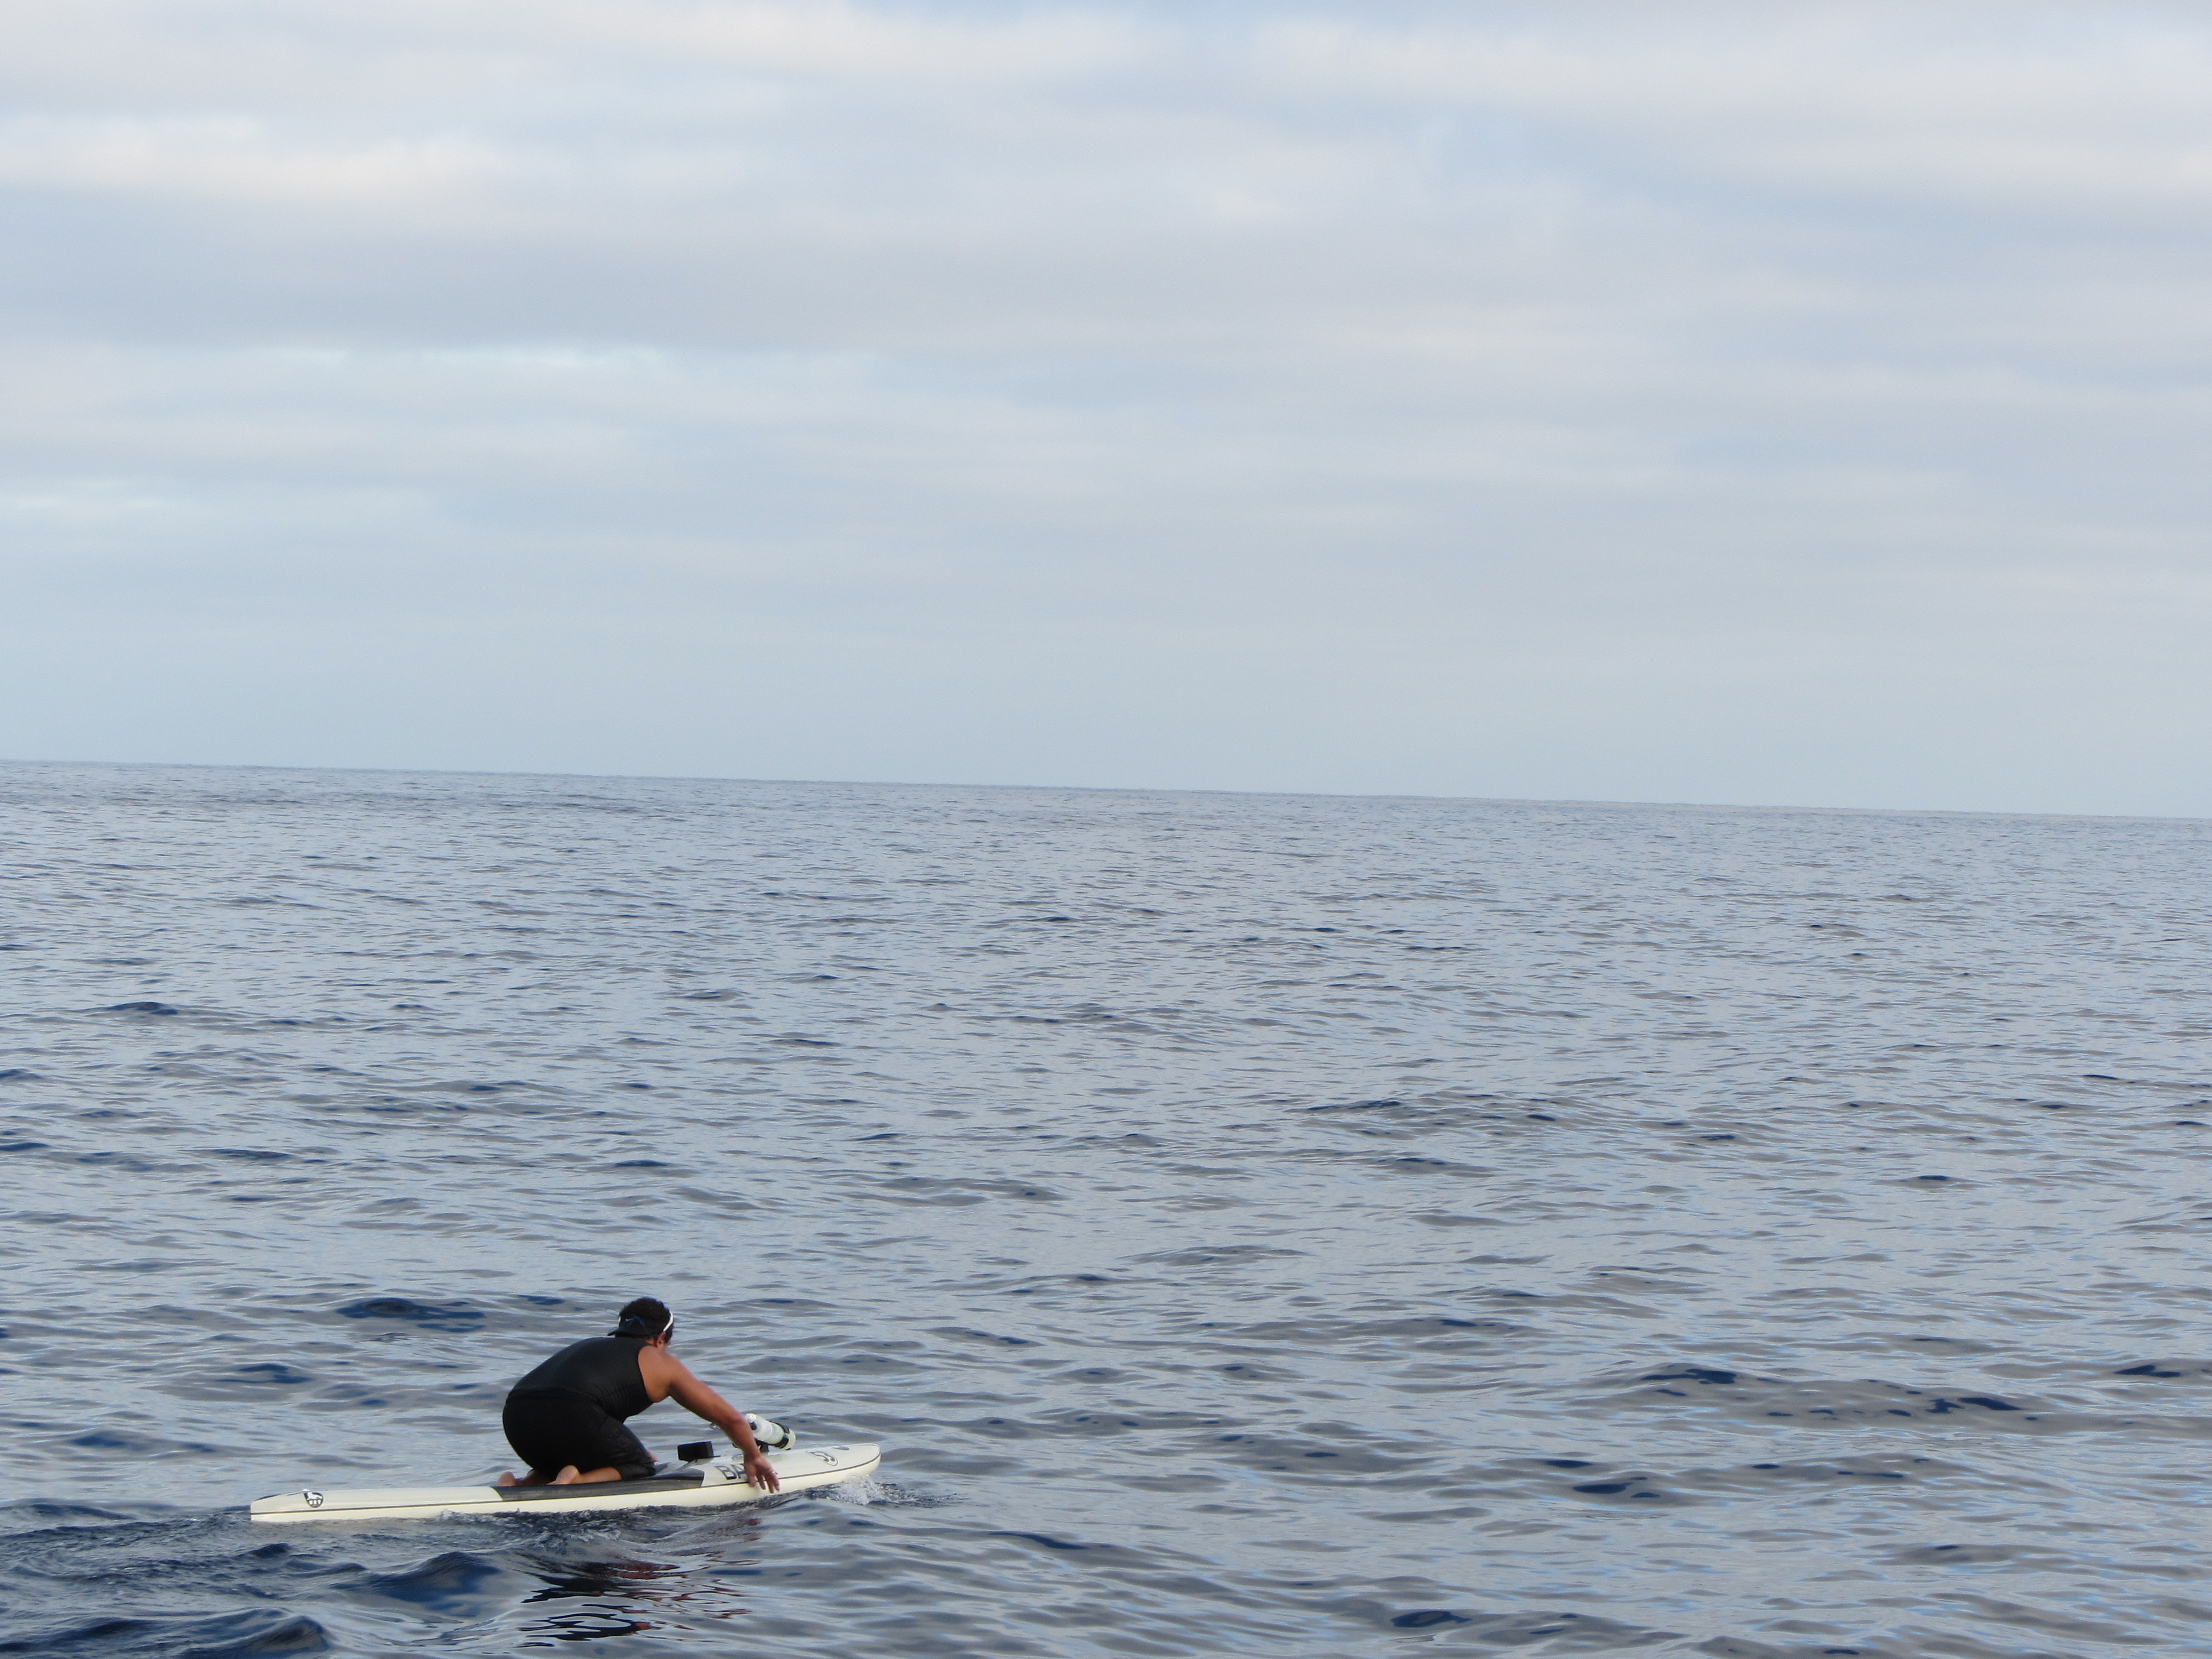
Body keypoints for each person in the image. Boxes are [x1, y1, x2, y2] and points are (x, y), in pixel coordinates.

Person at [498, 1297, 781, 1490]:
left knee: (572, 1455)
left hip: (517, 1416)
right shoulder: (660, 1361)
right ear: (661, 1339)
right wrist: (753, 1457)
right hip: (574, 1413)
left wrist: (634, 1447)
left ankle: (520, 1484)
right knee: (641, 1467)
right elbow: (730, 1418)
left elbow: (595, 1414)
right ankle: (574, 1482)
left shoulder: (589, 1347)